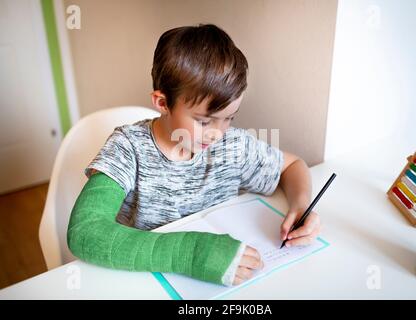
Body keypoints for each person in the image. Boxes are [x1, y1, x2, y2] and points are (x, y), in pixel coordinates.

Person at [67, 24, 321, 286]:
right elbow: (85, 232)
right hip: (147, 283)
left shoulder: (232, 146)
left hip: (223, 279)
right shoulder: (128, 148)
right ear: (163, 103)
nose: (218, 134)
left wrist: (300, 205)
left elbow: (291, 166)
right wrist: (190, 253)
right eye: (204, 121)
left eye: (229, 118)